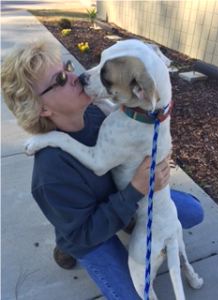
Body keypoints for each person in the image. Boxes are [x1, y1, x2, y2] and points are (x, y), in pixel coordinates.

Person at [1, 38, 204, 300]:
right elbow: (84, 231)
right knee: (129, 294)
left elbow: (147, 125)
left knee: (192, 212)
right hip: (89, 228)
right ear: (43, 108)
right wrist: (134, 191)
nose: (75, 77)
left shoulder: (97, 112)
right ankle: (66, 247)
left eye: (68, 66)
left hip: (121, 198)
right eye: (61, 79)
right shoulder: (51, 172)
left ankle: (127, 220)